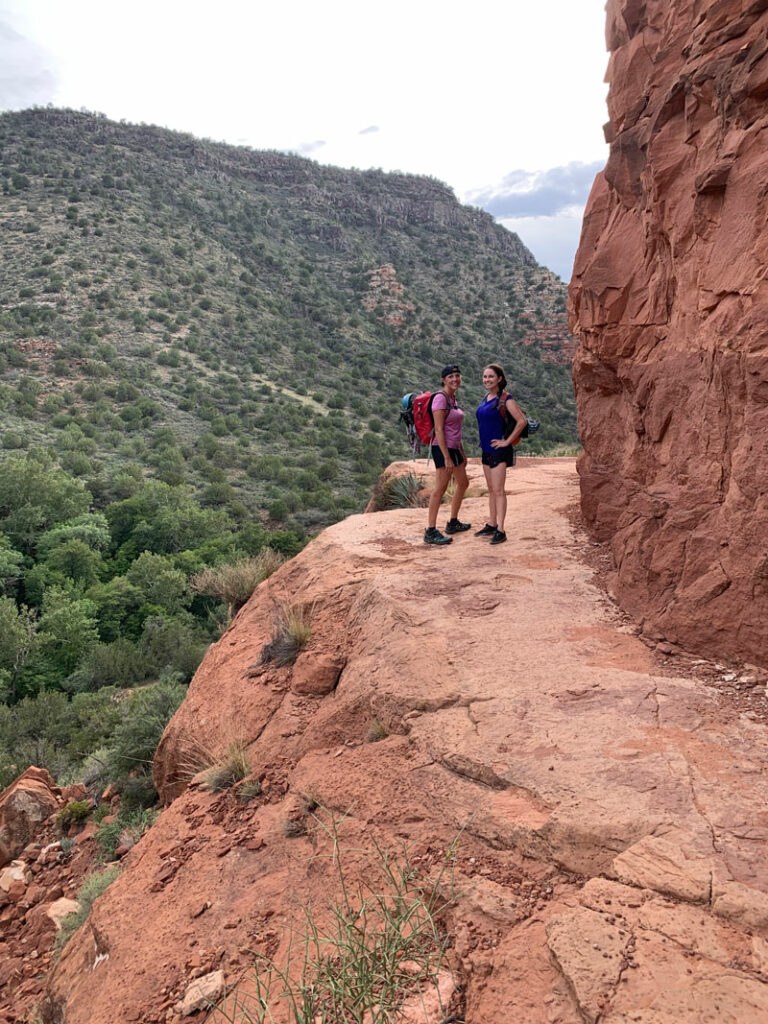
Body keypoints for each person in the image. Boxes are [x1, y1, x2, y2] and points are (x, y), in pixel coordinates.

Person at [474, 363, 528, 545]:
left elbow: (521, 421)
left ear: (499, 379)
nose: (487, 380)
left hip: (499, 450)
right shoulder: (487, 397)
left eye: (490, 376)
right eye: (485, 377)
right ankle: (492, 523)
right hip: (487, 450)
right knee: (491, 490)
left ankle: (501, 530)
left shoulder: (506, 399)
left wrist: (507, 441)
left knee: (498, 490)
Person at [424, 364, 471, 546]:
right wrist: (446, 456)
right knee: (440, 489)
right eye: (451, 377)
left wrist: (461, 452)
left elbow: (455, 429)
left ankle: (452, 522)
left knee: (463, 483)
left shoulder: (452, 399)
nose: (455, 379)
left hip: (455, 448)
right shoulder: (440, 399)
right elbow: (439, 429)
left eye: (457, 376)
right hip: (443, 448)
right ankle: (430, 531)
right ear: (443, 380)